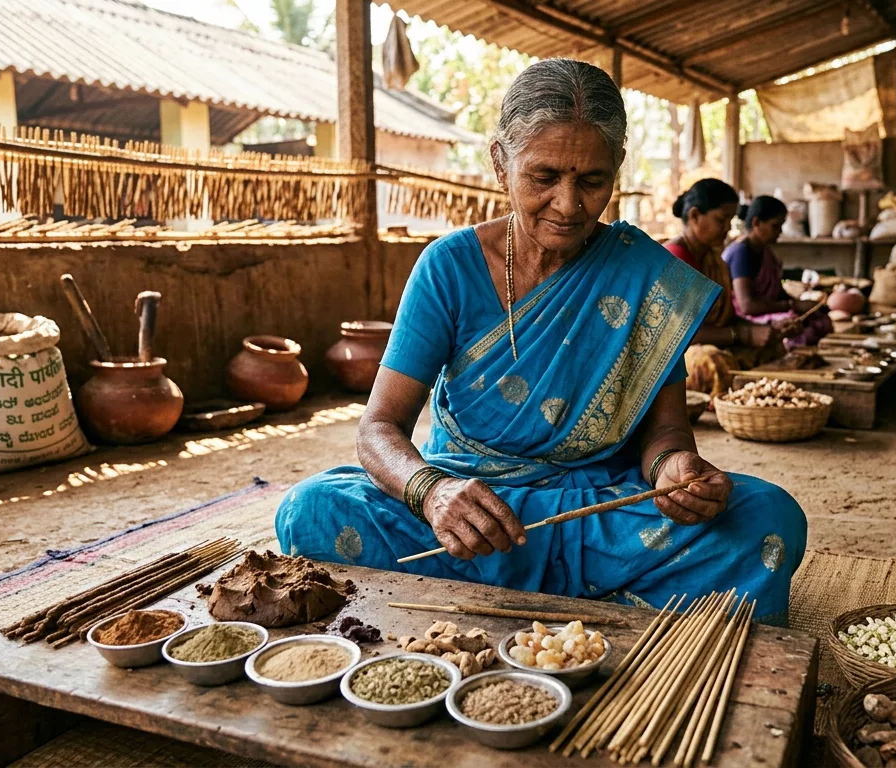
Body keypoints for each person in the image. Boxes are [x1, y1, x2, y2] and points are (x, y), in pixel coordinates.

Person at [275, 59, 806, 624]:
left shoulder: (644, 275)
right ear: (500, 163)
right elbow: (378, 429)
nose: (569, 205)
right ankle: (606, 604)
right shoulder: (448, 267)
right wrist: (432, 493)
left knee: (768, 516)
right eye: (544, 176)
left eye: (592, 181)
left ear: (617, 168)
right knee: (312, 508)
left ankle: (514, 600)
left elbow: (667, 432)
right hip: (475, 510)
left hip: (598, 511)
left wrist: (674, 469)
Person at [663, 179, 786, 398]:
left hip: (714, 341)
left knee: (773, 347)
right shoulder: (675, 259)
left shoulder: (714, 259)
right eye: (721, 220)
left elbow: (726, 318)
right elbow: (677, 334)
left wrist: (763, 329)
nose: (728, 228)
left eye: (730, 220)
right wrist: (743, 335)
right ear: (694, 216)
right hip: (674, 353)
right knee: (712, 361)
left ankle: (758, 399)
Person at [723, 196, 833, 348]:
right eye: (775, 226)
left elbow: (777, 293)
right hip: (743, 319)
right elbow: (747, 306)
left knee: (820, 319)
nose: (780, 232)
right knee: (793, 324)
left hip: (764, 311)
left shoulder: (766, 252)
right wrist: (793, 305)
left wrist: (803, 304)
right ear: (756, 223)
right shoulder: (740, 253)